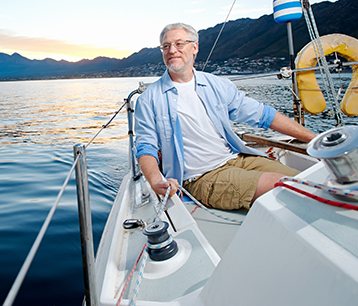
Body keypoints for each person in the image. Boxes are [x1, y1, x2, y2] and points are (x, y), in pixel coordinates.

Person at [134, 23, 316, 210]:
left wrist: (316, 140)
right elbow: (145, 146)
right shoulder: (149, 99)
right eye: (166, 46)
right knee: (293, 185)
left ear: (194, 47)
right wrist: (156, 182)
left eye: (179, 44)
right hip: (202, 176)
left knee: (307, 179)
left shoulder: (216, 85)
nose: (172, 50)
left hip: (237, 158)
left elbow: (263, 115)